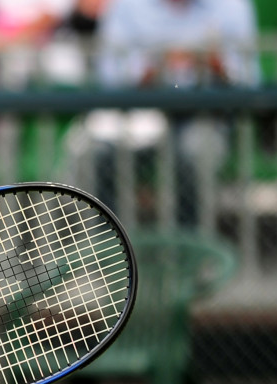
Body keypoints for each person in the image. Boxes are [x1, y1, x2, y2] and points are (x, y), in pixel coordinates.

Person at [87, 0, 259, 228]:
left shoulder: (233, 6)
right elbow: (109, 79)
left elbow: (251, 82)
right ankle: (111, 249)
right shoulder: (125, 6)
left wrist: (216, 65)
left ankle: (187, 254)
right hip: (139, 117)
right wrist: (156, 67)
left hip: (205, 117)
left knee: (195, 152)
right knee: (94, 154)